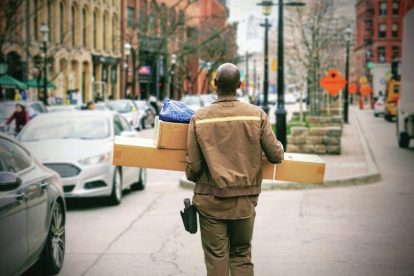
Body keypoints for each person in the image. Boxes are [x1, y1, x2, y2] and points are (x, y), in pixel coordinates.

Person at [186, 63, 284, 276]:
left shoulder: (199, 118)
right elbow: (276, 156)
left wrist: (192, 176)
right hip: (244, 202)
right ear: (239, 85)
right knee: (241, 254)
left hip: (210, 202)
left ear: (215, 85)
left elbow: (193, 167)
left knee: (216, 258)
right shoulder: (256, 115)